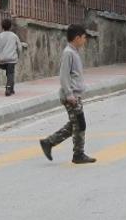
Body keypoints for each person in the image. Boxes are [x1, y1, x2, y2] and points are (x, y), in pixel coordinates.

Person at [39, 24, 97, 164]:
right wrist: (70, 94)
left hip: (74, 95)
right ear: (77, 38)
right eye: (84, 38)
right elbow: (64, 76)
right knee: (80, 124)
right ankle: (78, 154)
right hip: (70, 97)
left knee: (74, 125)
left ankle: (48, 142)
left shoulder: (74, 52)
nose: (85, 40)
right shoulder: (68, 53)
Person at [0, 18, 21, 97]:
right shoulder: (14, 36)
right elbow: (19, 48)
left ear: (2, 26)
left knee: (9, 72)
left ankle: (11, 88)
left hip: (1, 60)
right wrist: (18, 56)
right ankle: (8, 88)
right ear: (10, 26)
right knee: (10, 72)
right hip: (11, 59)